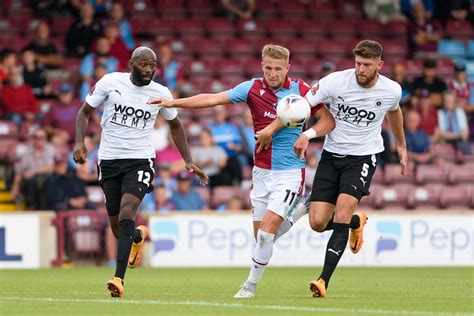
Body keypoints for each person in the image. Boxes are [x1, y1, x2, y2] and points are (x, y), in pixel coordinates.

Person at [150, 44, 335, 298]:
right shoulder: (252, 88)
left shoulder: (301, 91)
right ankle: (300, 210)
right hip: (261, 172)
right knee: (262, 237)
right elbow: (212, 99)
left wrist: (307, 134)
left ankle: (249, 286)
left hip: (290, 172)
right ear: (262, 65)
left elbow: (328, 120)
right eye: (268, 67)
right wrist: (173, 102)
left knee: (266, 233)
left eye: (278, 69)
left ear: (287, 68)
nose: (273, 73)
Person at [73, 46, 208, 298]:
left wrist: (188, 161)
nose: (148, 70)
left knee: (127, 211)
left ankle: (118, 279)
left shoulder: (161, 92)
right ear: (131, 63)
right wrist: (80, 142)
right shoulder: (110, 82)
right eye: (143, 65)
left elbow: (175, 125)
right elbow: (84, 112)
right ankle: (137, 236)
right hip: (109, 160)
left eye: (152, 66)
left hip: (140, 160)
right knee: (118, 228)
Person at [290, 40, 407, 298]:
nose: (361, 69)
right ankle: (357, 222)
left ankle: (323, 280)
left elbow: (395, 113)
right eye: (357, 63)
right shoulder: (335, 82)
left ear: (379, 65)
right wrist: (298, 129)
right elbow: (304, 104)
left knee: (341, 213)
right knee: (318, 222)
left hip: (363, 158)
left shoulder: (391, 90)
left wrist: (401, 144)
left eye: (366, 65)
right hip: (331, 156)